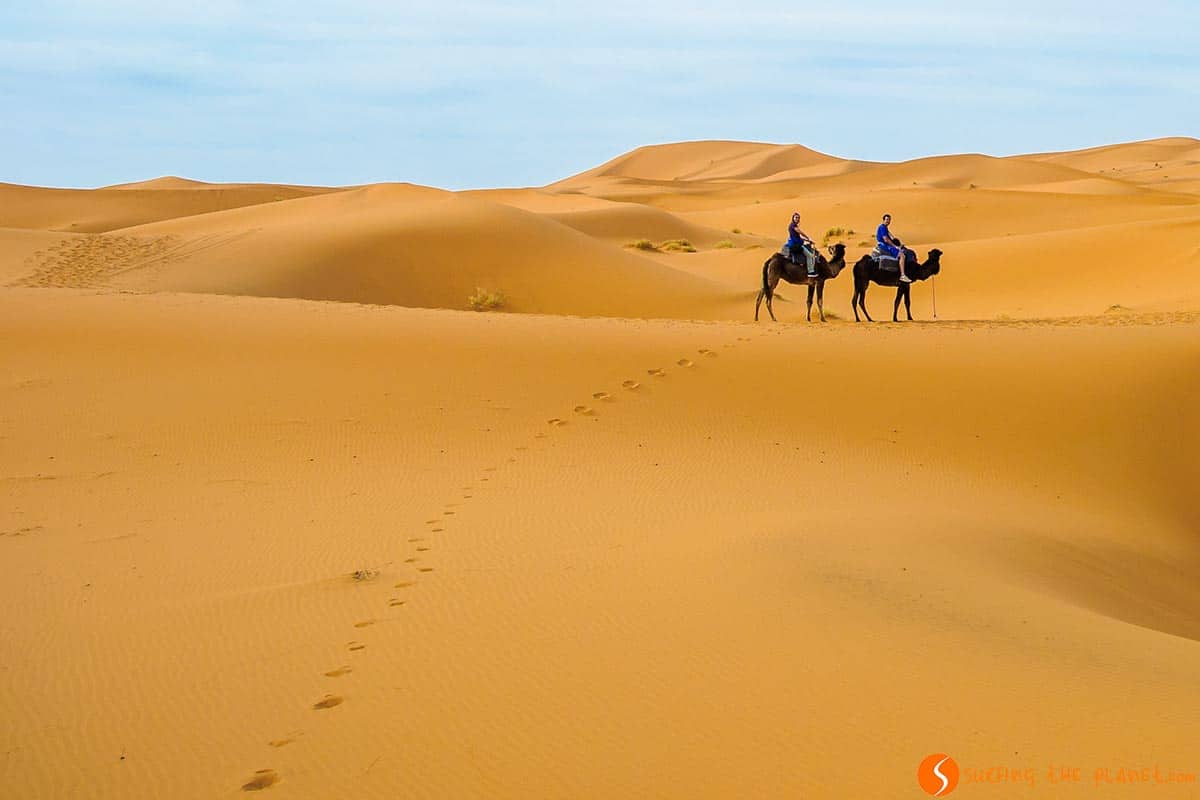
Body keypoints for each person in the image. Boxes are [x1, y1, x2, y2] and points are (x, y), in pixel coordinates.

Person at [876, 213, 912, 283]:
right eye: (886, 219)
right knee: (902, 255)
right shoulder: (882, 227)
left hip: (886, 245)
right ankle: (902, 275)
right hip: (885, 246)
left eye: (889, 220)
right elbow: (886, 239)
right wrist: (895, 246)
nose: (888, 221)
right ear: (883, 220)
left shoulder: (885, 227)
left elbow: (891, 236)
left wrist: (899, 245)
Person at [785, 212, 818, 278]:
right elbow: (800, 232)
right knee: (810, 256)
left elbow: (798, 237)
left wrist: (808, 240)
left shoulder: (792, 225)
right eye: (796, 217)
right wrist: (807, 237)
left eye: (798, 218)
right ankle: (811, 271)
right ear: (793, 218)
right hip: (796, 245)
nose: (797, 219)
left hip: (796, 243)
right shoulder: (793, 226)